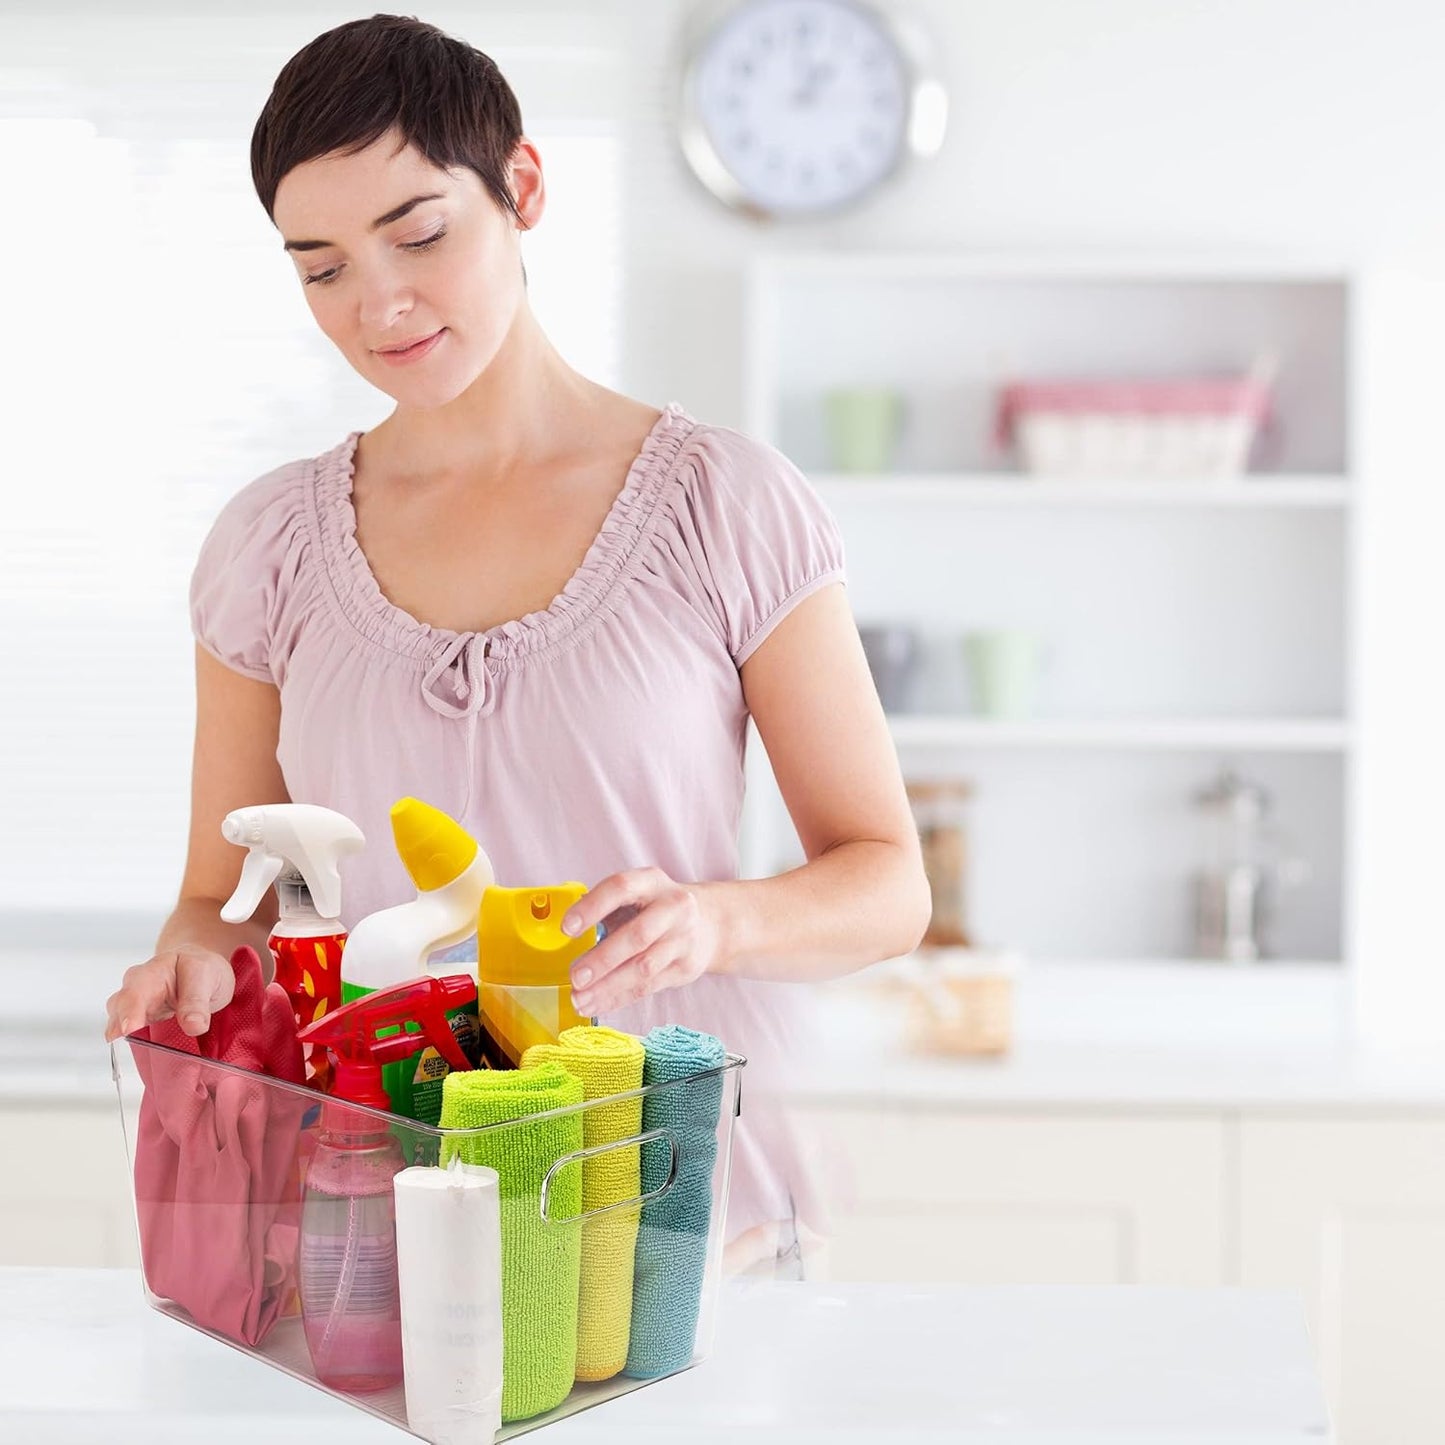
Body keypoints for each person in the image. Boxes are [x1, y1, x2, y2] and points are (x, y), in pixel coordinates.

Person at [103, 13, 929, 1277]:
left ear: (521, 189)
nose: (376, 302)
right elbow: (227, 901)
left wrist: (709, 923)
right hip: (381, 1220)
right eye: (318, 266)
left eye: (419, 233)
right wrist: (192, 967)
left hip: (672, 1214)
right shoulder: (269, 544)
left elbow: (885, 883)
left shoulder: (724, 503)